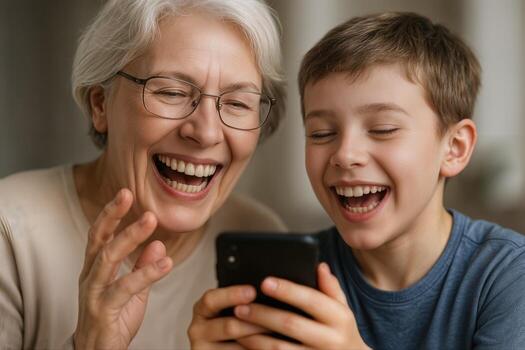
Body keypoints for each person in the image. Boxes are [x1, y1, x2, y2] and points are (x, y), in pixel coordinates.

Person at [188, 12, 525, 349]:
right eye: (322, 133)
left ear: (454, 148)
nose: (345, 154)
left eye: (383, 129)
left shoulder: (507, 274)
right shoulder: (293, 277)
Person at [0, 0, 287, 349]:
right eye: (172, 92)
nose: (207, 132)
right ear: (100, 105)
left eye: (239, 103)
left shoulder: (260, 236)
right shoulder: (11, 232)